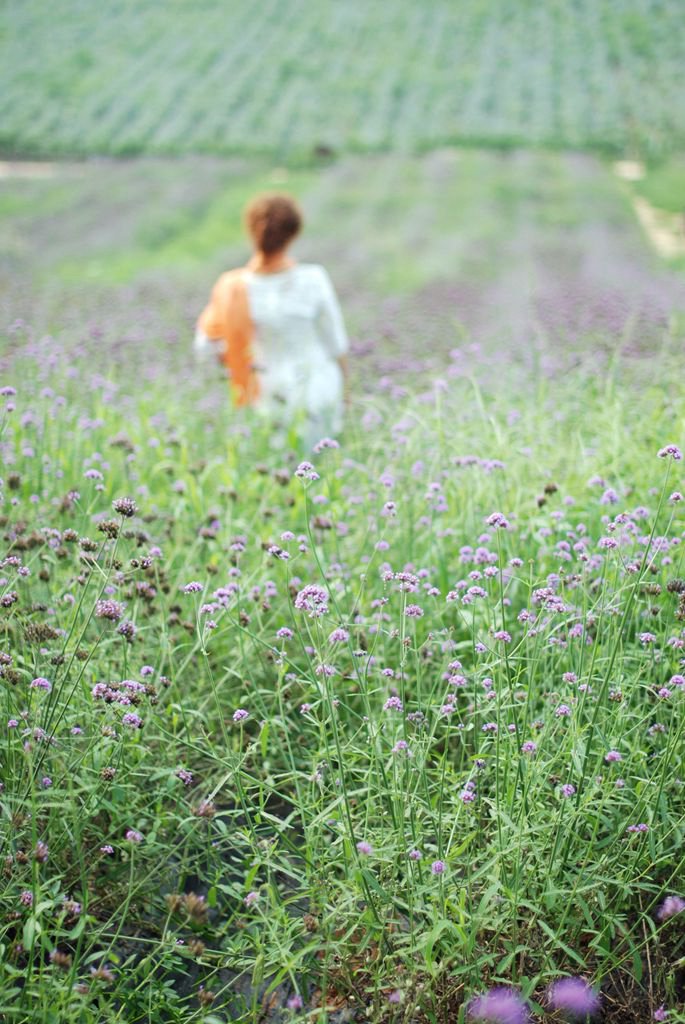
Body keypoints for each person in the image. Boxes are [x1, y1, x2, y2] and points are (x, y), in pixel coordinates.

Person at [194, 193, 349, 447]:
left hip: (263, 396)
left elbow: (205, 347)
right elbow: (336, 345)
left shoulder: (231, 287)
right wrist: (347, 394)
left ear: (250, 230)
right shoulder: (314, 278)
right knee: (320, 474)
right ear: (294, 233)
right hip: (318, 391)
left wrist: (235, 359)